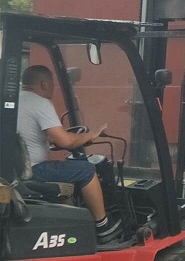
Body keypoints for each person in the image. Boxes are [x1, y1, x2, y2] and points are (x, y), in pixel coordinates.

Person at [17, 65, 122, 244]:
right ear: (44, 84)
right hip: (36, 169)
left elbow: (45, 138)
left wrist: (58, 141)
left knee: (70, 169)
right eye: (52, 84)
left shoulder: (14, 101)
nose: (53, 88)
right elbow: (66, 141)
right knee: (86, 170)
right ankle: (103, 226)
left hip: (15, 170)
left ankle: (77, 219)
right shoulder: (40, 103)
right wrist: (92, 134)